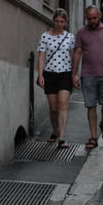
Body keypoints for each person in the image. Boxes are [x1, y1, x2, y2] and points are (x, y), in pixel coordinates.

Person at [71, 5, 103, 151]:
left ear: (99, 15)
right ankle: (93, 137)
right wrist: (74, 75)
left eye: (94, 18)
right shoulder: (81, 32)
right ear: (86, 17)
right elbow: (77, 53)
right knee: (90, 106)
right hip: (87, 75)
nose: (92, 21)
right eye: (89, 18)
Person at [36, 8, 76, 149]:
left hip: (65, 73)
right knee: (53, 108)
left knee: (63, 104)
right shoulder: (45, 36)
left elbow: (73, 56)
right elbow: (41, 57)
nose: (59, 24)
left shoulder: (70, 37)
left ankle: (62, 138)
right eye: (57, 21)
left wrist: (74, 74)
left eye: (62, 22)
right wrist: (40, 75)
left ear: (66, 22)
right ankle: (55, 131)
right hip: (50, 74)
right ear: (53, 21)